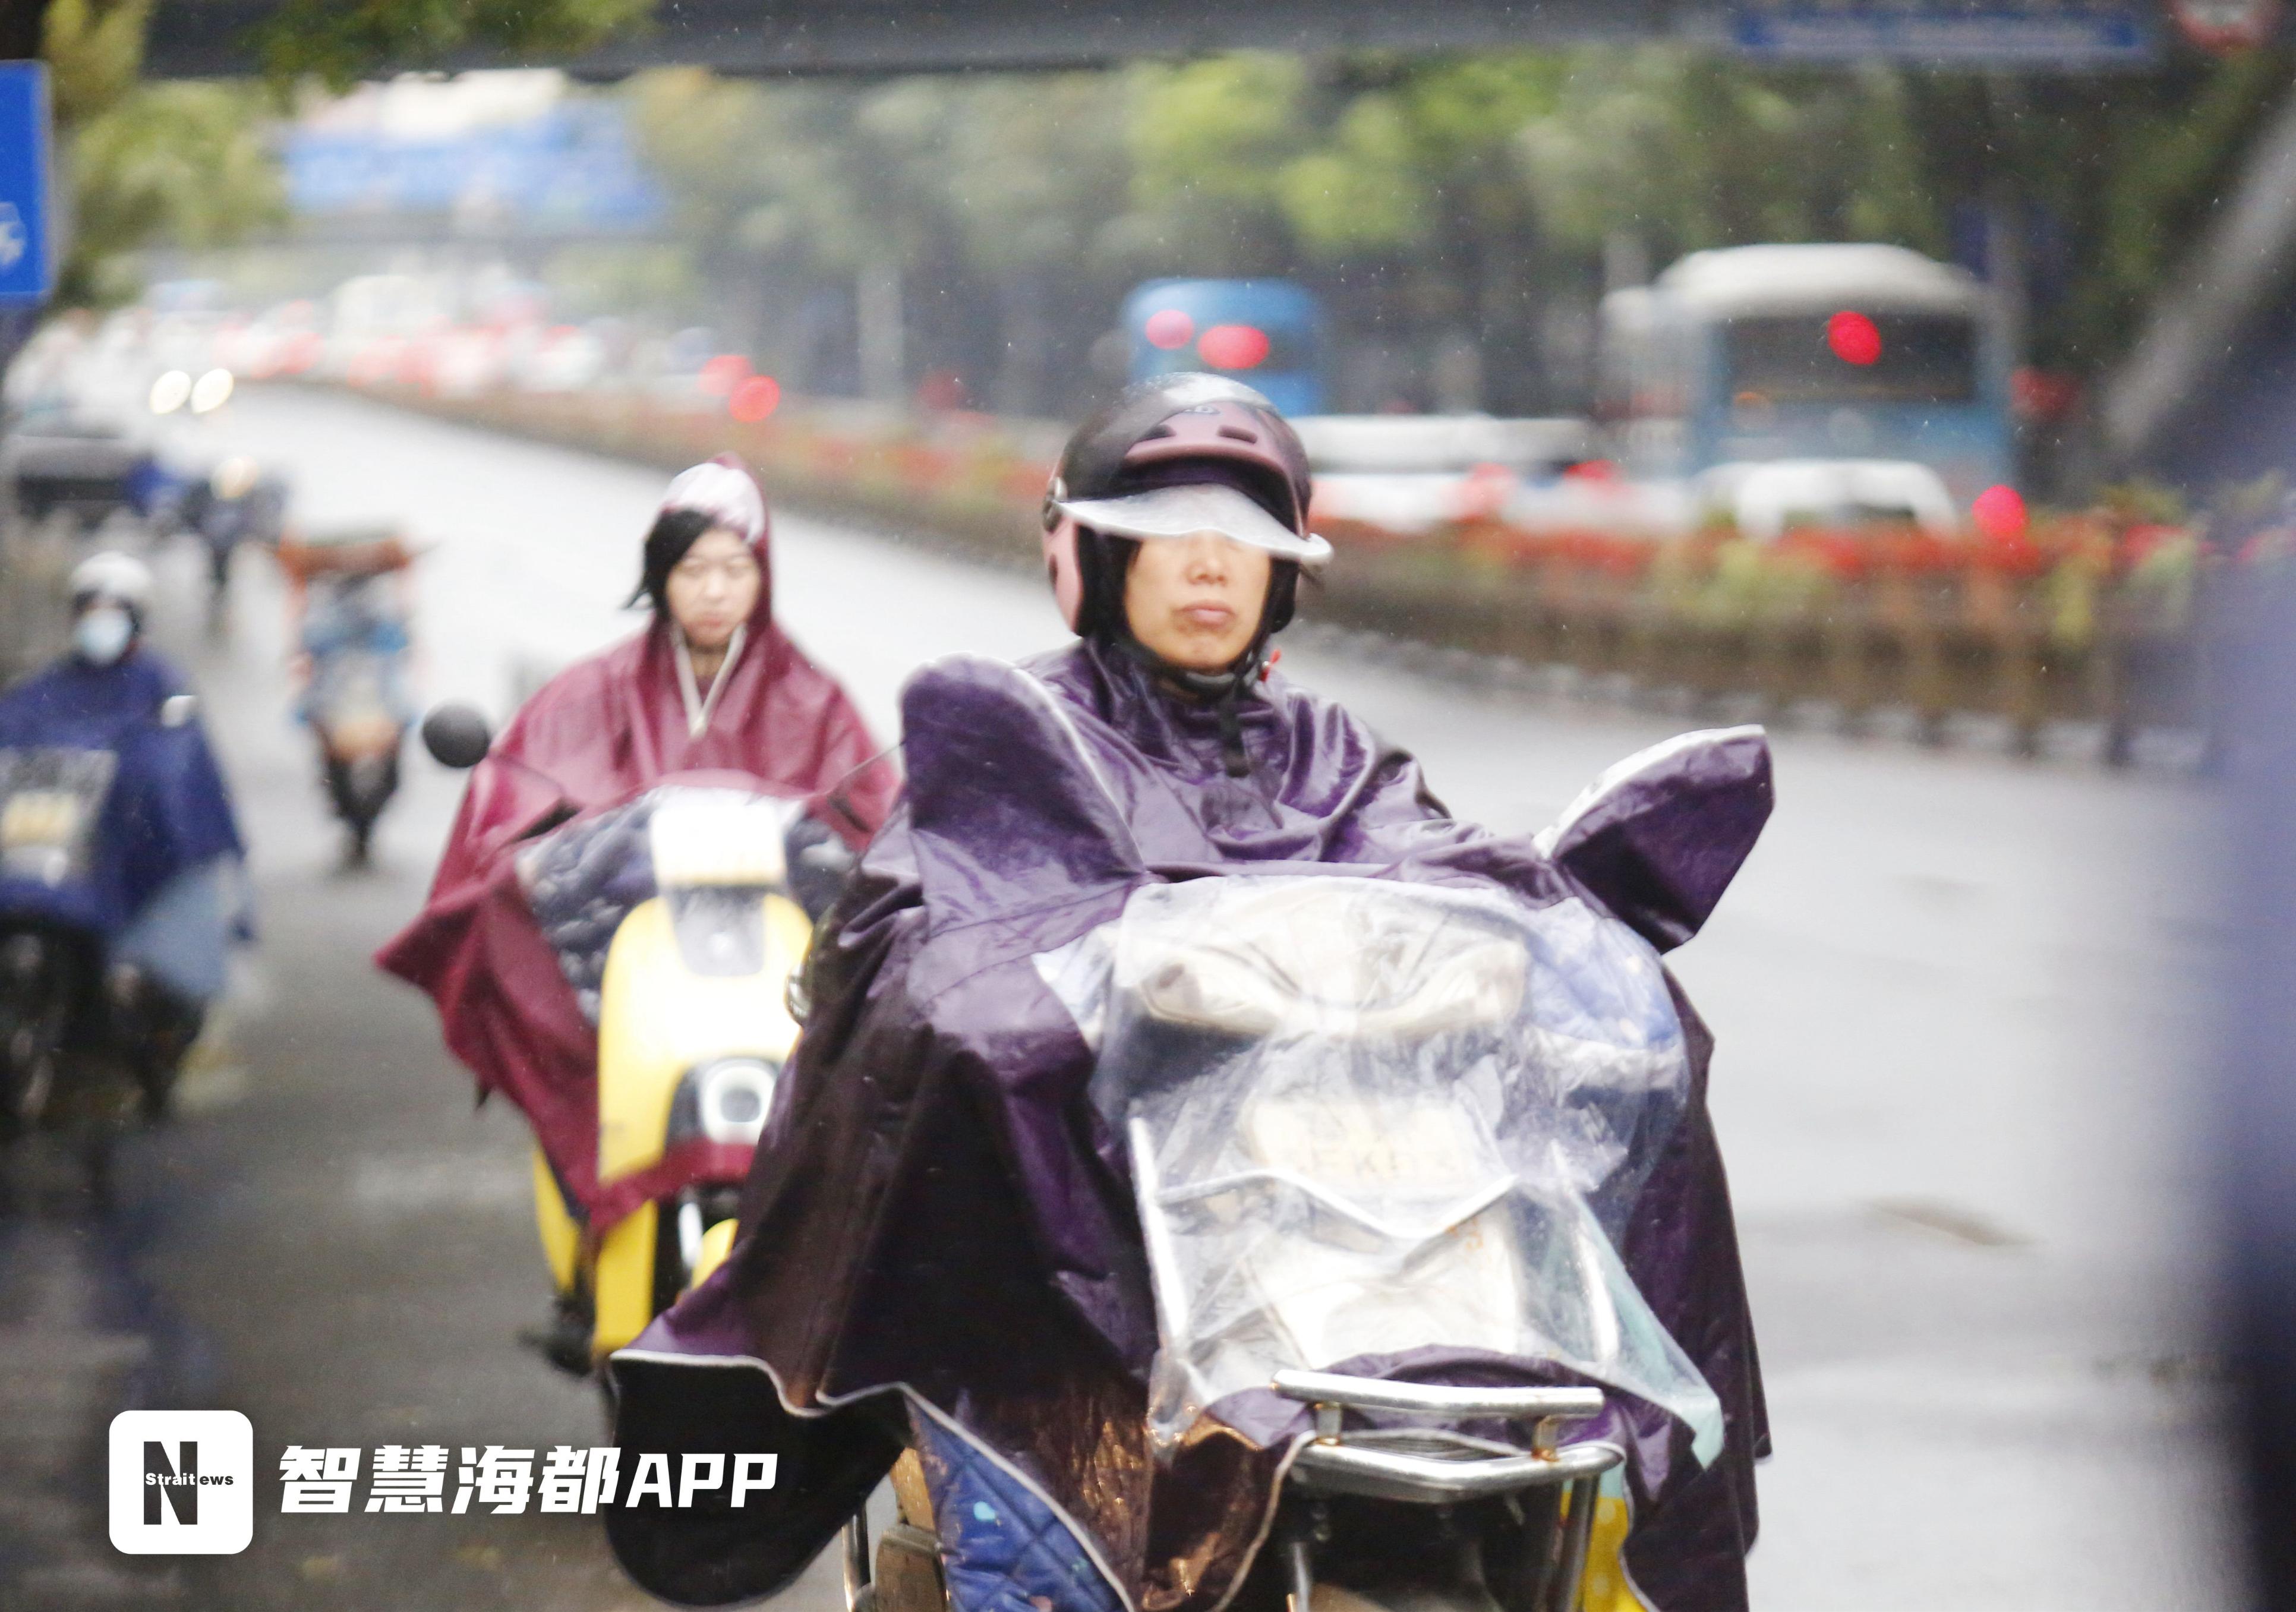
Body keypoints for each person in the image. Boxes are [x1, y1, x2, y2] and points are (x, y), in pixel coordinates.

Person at [604, 379, 1772, 1612]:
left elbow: (1467, 897)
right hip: (1098, 1267)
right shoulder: (1017, 746)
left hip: (1344, 1251)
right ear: (1092, 557)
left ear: (1285, 577)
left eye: (1246, 543)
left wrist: (1548, 950)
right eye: (1169, 536)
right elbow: (910, 975)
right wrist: (1099, 996)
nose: (1210, 568)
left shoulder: (1338, 758)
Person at [375, 455, 898, 1267]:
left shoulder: (814, 699)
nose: (716, 591)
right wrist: (532, 859)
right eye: (694, 570)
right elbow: (523, 793)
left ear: (764, 578)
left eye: (736, 569)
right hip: (629, 969)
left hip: (777, 972)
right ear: (659, 577)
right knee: (571, 1058)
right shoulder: (592, 692)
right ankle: (587, 1253)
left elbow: (874, 816)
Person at [0, 551, 249, 1115]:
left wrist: (146, 772)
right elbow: (14, 729)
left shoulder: (162, 686)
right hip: (55, 838)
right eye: (92, 609)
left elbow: (180, 758)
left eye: (114, 611)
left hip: (127, 839)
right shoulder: (50, 685)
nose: (101, 621)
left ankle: (149, 1020)